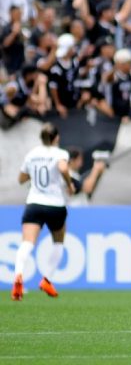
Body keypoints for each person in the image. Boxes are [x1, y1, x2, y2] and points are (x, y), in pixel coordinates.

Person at [12, 123, 75, 300]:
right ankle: (47, 279)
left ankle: (18, 275)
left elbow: (21, 179)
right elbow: (63, 168)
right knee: (58, 242)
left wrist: (36, 172)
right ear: (56, 137)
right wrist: (69, 184)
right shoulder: (60, 153)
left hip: (34, 203)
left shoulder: (32, 154)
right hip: (55, 204)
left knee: (27, 243)